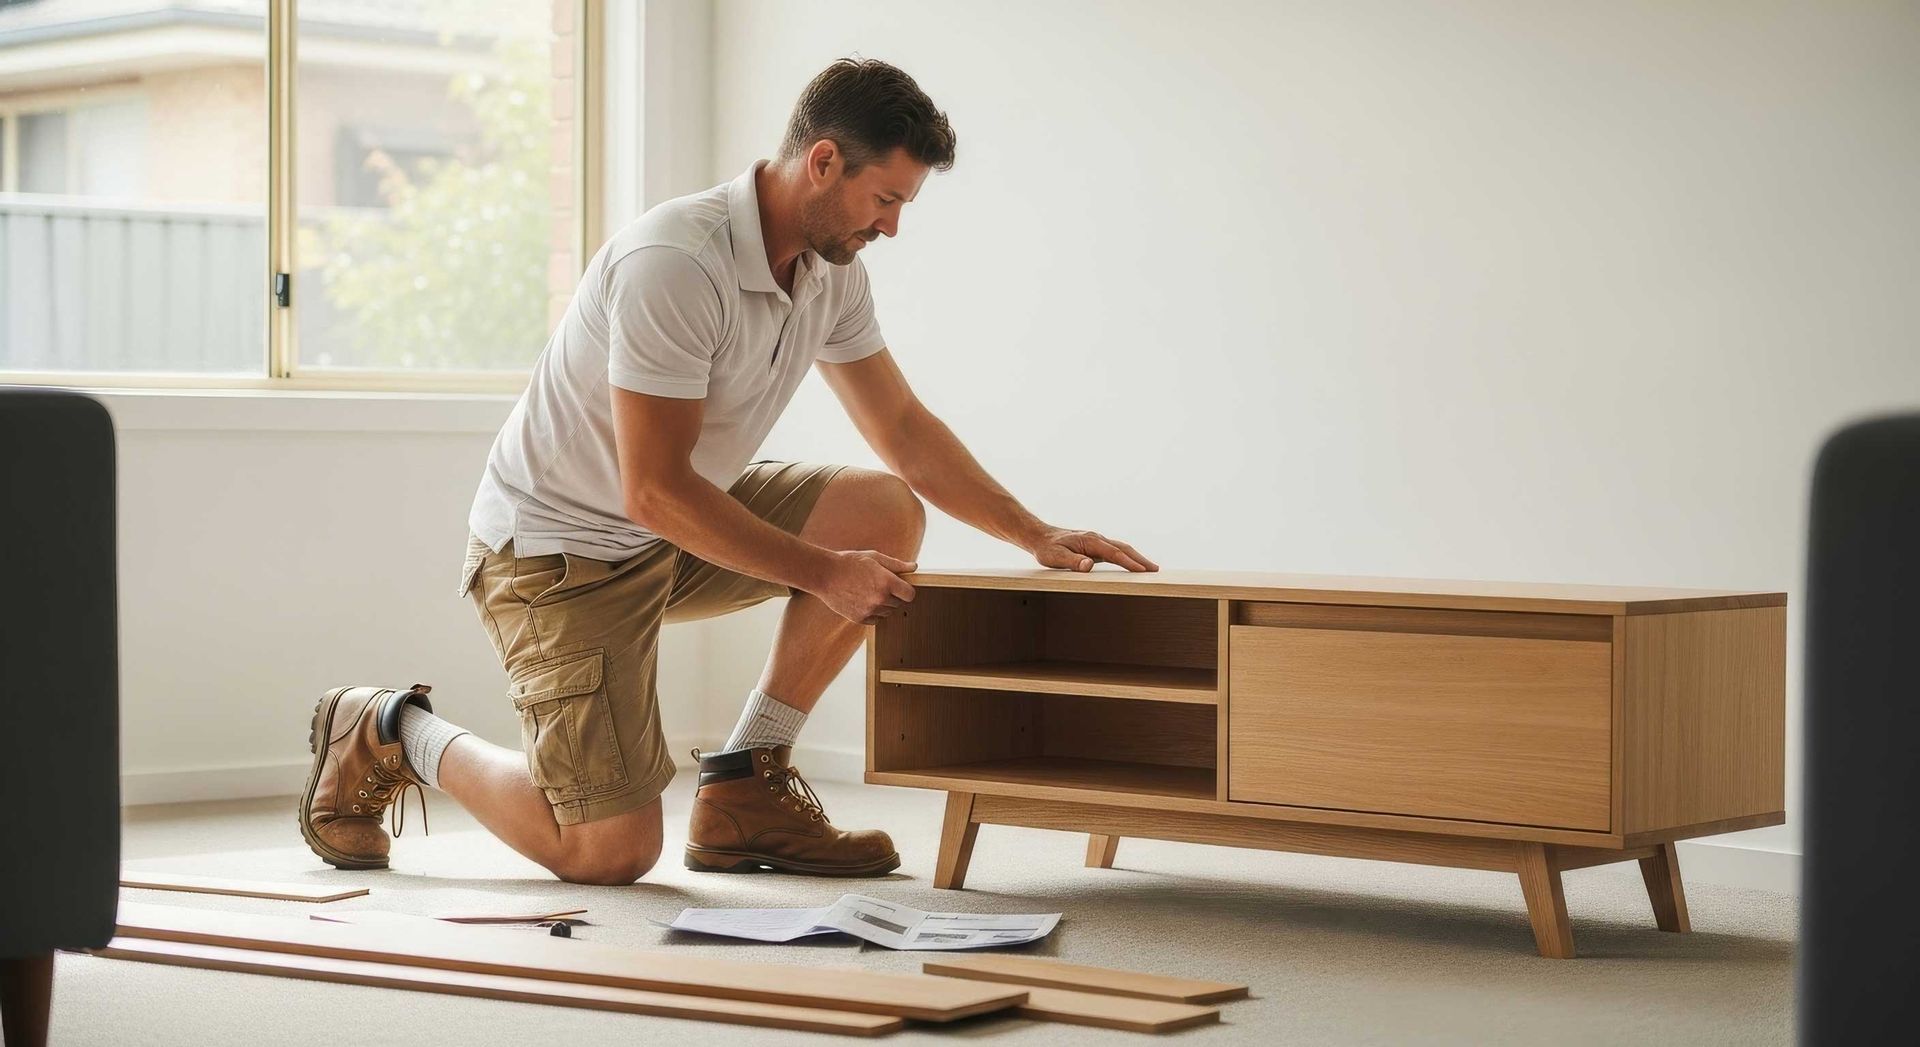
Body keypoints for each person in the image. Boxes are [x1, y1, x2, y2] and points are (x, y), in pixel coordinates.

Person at [298, 58, 1156, 886]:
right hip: (559, 556)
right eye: (886, 198)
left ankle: (744, 781)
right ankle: (387, 727)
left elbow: (900, 425)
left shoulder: (830, 271)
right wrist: (826, 572)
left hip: (667, 530)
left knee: (882, 512)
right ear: (823, 162)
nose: (892, 226)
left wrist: (1033, 531)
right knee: (608, 852)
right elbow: (654, 489)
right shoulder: (676, 262)